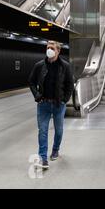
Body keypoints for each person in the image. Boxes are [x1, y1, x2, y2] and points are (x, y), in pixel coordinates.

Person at [29, 41, 74, 169]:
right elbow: (31, 81)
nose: (49, 50)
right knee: (42, 131)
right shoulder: (39, 65)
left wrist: (65, 99)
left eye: (52, 48)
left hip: (58, 105)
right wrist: (37, 96)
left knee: (58, 131)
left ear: (58, 51)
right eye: (48, 47)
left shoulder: (65, 66)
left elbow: (70, 84)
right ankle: (43, 158)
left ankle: (55, 150)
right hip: (43, 104)